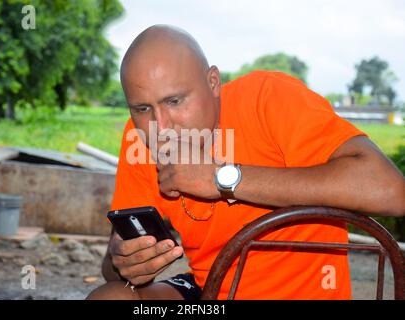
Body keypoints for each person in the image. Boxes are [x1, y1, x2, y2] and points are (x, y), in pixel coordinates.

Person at [87, 25, 405, 300]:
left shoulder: (269, 98)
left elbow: (391, 191)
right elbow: (114, 270)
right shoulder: (140, 138)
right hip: (209, 291)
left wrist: (223, 178)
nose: (162, 126)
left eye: (175, 101)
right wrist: (122, 262)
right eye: (143, 109)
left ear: (213, 82)